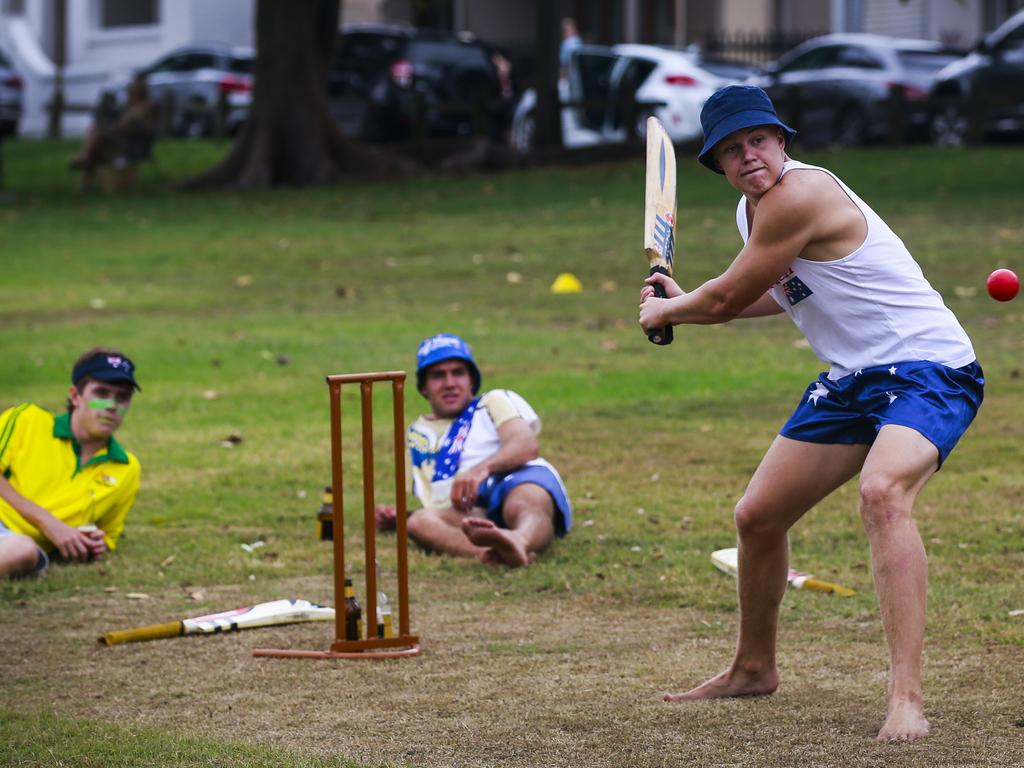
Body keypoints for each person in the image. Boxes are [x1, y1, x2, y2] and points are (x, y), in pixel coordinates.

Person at [638, 85, 983, 743]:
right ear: (719, 165)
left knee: (883, 494)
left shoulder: (802, 193)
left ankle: (906, 700)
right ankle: (753, 667)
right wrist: (689, 299)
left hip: (928, 371)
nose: (749, 157)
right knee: (757, 516)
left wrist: (672, 309)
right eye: (732, 151)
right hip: (853, 380)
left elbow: (730, 294)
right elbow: (776, 290)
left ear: (781, 141)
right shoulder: (756, 213)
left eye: (758, 141)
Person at [375, 334, 571, 568]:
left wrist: (481, 470)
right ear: (424, 387)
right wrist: (399, 518)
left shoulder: (492, 402)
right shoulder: (417, 434)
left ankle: (520, 539)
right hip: (472, 509)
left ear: (471, 380)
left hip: (515, 480)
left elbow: (525, 444)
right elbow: (437, 504)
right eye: (438, 375)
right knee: (418, 522)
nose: (449, 383)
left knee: (523, 502)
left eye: (458, 372)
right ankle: (492, 553)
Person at [0, 348, 142, 577]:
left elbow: (108, 535)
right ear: (75, 396)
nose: (111, 405)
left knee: (23, 550)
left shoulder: (127, 468)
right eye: (101, 393)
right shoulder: (27, 419)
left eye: (122, 397)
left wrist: (94, 542)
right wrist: (47, 522)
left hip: (21, 548)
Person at [70, 75, 158, 191]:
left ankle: (85, 159)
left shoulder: (146, 107)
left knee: (96, 140)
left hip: (132, 143)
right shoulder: (129, 106)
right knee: (96, 139)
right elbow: (119, 124)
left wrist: (127, 118)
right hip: (120, 139)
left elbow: (129, 126)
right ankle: (86, 164)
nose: (130, 94)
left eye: (132, 91)